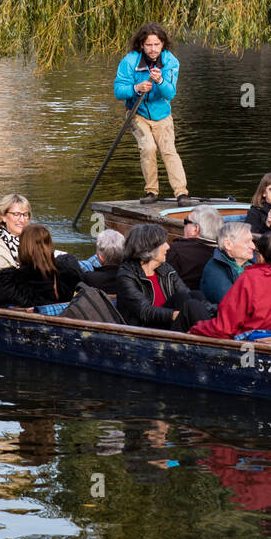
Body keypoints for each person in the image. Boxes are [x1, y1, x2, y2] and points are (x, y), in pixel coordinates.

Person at [113, 23, 194, 206]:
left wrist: (160, 80)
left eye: (157, 44)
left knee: (168, 150)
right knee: (148, 148)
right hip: (137, 113)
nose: (153, 49)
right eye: (149, 45)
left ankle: (181, 193)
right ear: (141, 45)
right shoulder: (129, 61)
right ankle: (151, 191)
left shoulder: (171, 62)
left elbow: (170, 93)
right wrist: (136, 88)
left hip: (162, 114)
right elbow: (118, 91)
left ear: (163, 44)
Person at [116, 223, 215, 331]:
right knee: (190, 305)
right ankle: (213, 337)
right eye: (163, 243)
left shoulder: (166, 269)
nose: (168, 246)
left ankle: (212, 333)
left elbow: (186, 293)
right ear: (149, 249)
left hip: (168, 325)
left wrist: (217, 309)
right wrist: (176, 314)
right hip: (144, 331)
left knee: (193, 295)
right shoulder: (126, 275)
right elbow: (144, 311)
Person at [200, 221, 258, 304]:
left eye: (252, 241)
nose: (253, 246)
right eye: (246, 242)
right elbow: (232, 304)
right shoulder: (214, 270)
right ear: (228, 245)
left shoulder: (256, 262)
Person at [166, 205, 222, 287]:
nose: (184, 225)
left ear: (196, 229)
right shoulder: (224, 253)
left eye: (186, 221)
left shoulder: (175, 251)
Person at [0, 194, 32, 273]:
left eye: (25, 215)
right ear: (3, 217)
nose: (22, 220)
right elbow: (3, 279)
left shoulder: (33, 241)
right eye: (16, 214)